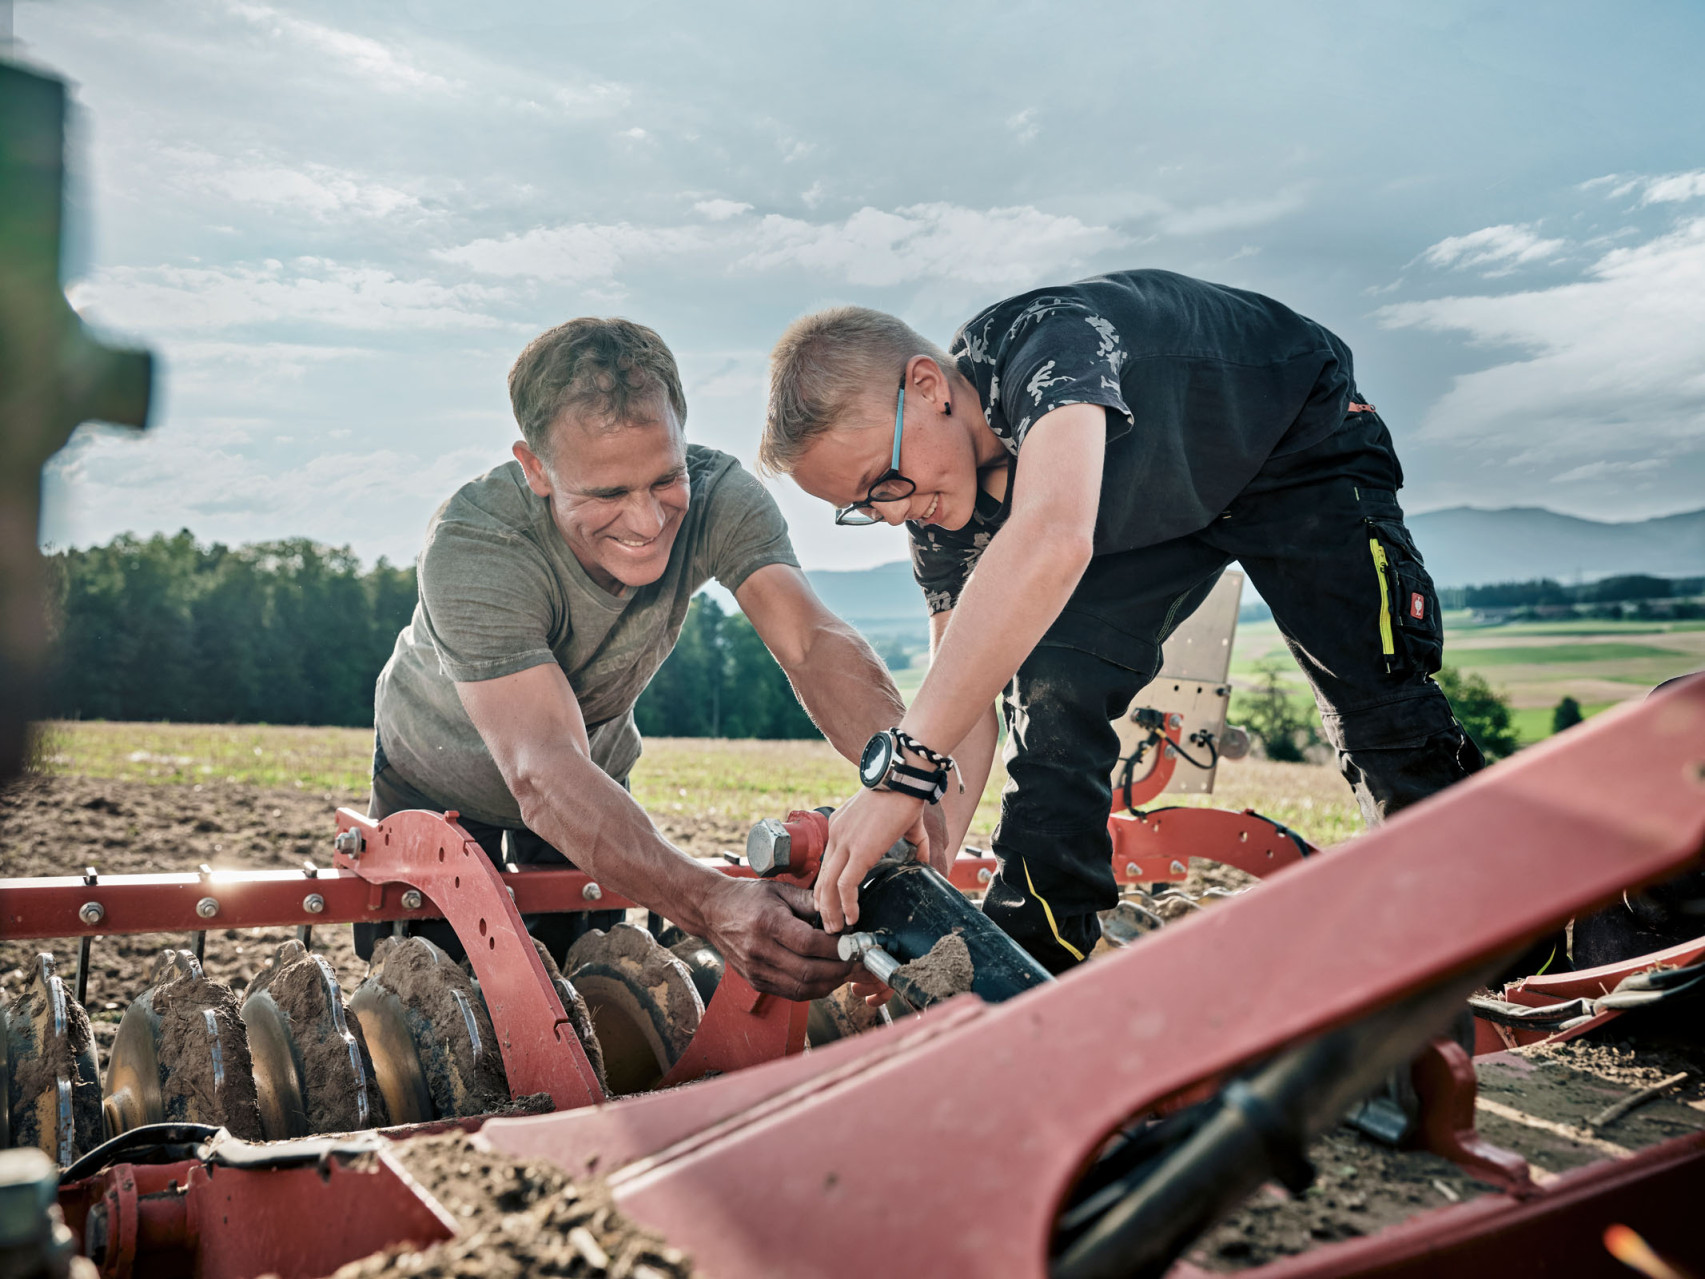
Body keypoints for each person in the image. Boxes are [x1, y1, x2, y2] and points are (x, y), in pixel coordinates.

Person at [761, 270, 1483, 974]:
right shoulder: (938, 511)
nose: (889, 511)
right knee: (1051, 692)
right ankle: (1035, 949)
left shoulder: (1042, 341)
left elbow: (1052, 536)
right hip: (1150, 514)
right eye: (862, 508)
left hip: (1292, 446)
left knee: (1373, 692)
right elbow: (965, 695)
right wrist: (928, 844)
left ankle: (1494, 921)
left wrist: (898, 776)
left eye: (881, 482)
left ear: (927, 385)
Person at [362, 316, 940, 999]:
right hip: (440, 786)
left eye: (664, 479)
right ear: (535, 469)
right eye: (606, 493)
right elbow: (541, 769)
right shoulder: (477, 544)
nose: (644, 520)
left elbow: (813, 642)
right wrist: (710, 905)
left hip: (592, 778)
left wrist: (907, 785)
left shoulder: (718, 492)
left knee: (593, 992)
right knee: (436, 1015)